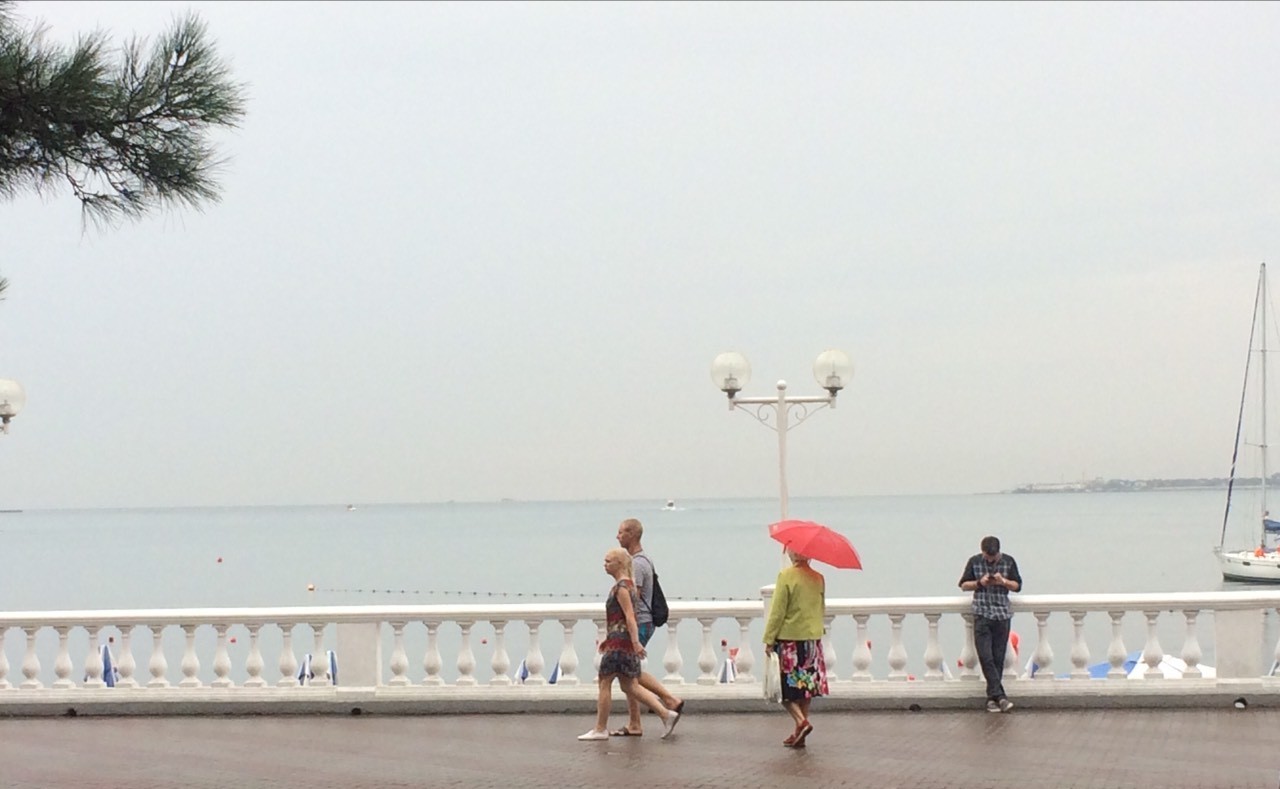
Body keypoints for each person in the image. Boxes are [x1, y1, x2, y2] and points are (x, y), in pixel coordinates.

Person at [578, 547, 680, 741]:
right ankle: (666, 714)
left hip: (620, 643)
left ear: (620, 564)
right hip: (618, 640)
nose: (604, 564)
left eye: (608, 561)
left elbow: (630, 617)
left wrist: (635, 643)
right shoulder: (628, 586)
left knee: (605, 681)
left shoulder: (622, 588)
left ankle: (600, 728)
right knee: (629, 685)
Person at [613, 517, 684, 736]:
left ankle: (669, 702)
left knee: (628, 672)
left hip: (641, 622)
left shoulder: (638, 564)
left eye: (622, 532)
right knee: (629, 673)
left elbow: (634, 598)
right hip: (641, 622)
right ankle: (635, 722)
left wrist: (629, 630)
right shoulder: (637, 560)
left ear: (633, 535)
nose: (618, 536)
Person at [762, 548, 828, 748]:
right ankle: (800, 733)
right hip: (812, 641)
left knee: (783, 688)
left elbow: (778, 611)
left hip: (790, 640)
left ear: (793, 554)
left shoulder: (786, 576)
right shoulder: (818, 578)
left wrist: (769, 639)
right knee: (805, 689)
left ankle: (801, 722)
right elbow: (821, 607)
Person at [958, 535, 1023, 713]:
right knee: (985, 657)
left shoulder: (1009, 562)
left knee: (998, 658)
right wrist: (980, 583)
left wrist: (1003, 582)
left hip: (1002, 614)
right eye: (987, 557)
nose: (990, 560)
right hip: (982, 613)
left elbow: (1017, 586)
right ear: (982, 552)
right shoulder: (974, 562)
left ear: (998, 553)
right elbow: (963, 585)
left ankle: (992, 698)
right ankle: (1000, 696)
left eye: (992, 558)